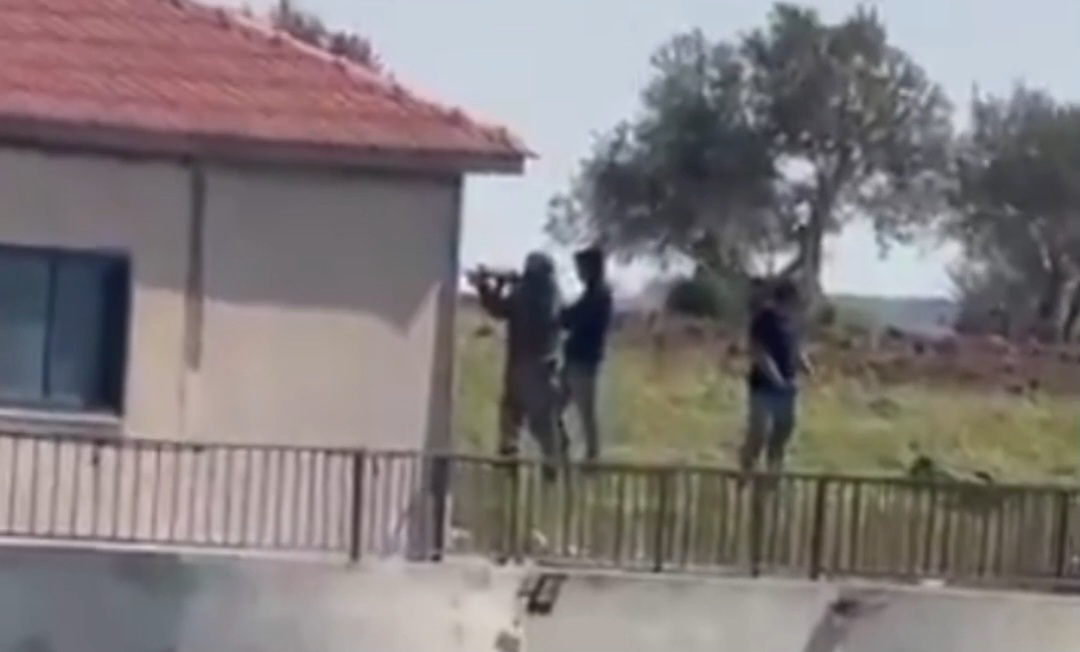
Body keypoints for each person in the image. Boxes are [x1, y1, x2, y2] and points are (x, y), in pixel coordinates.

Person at [469, 252, 564, 477]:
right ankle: (545, 463)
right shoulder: (550, 292)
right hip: (541, 363)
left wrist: (486, 286)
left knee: (517, 416)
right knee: (536, 419)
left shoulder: (530, 292)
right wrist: (499, 284)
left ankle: (515, 460)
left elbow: (499, 309)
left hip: (525, 363)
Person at [740, 278, 811, 475]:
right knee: (759, 433)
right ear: (785, 299)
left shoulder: (792, 322)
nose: (796, 307)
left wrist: (805, 364)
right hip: (763, 387)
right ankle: (746, 472)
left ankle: (773, 476)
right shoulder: (763, 319)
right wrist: (776, 378)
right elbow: (759, 353)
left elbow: (795, 348)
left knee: (782, 434)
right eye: (794, 301)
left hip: (787, 387)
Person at [559, 247, 613, 463]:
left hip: (583, 361)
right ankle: (567, 447)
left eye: (581, 268)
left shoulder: (598, 296)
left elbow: (573, 318)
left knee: (585, 412)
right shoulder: (595, 294)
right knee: (556, 408)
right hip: (576, 360)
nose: (578, 272)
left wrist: (558, 311)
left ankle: (592, 456)